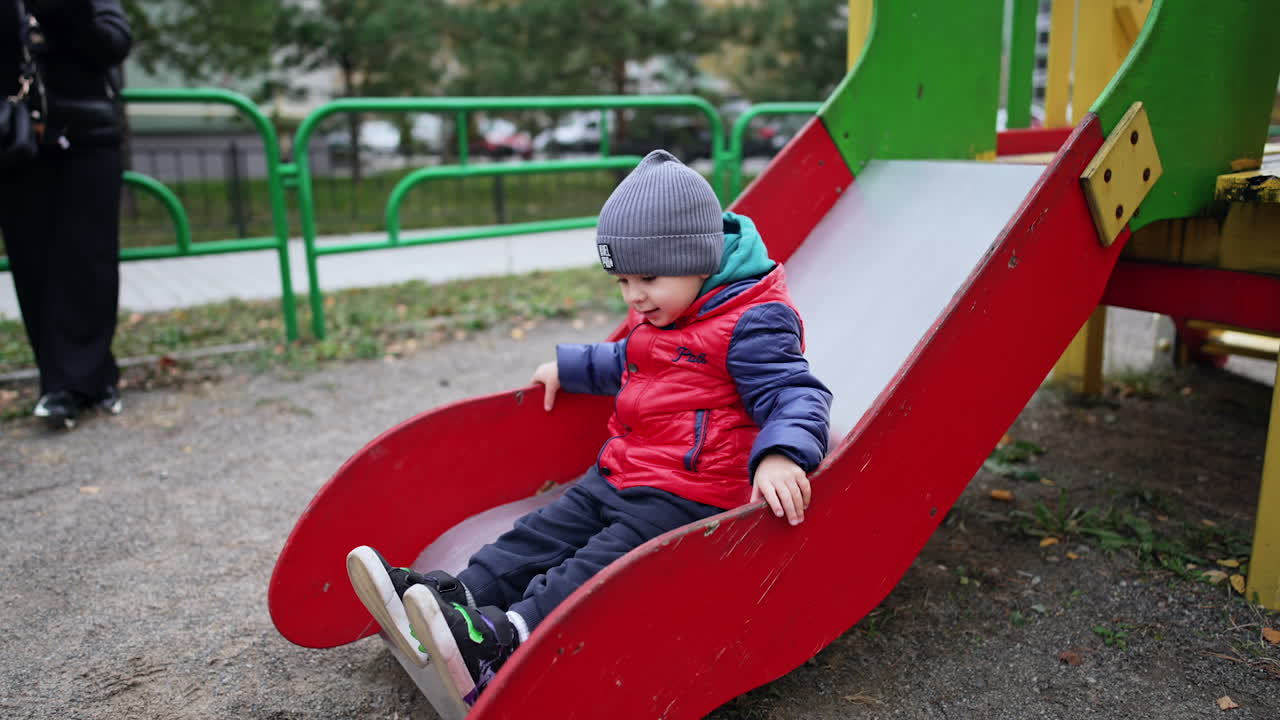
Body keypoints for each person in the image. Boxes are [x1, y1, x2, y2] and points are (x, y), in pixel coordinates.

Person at [347, 149, 832, 704]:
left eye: (647, 278)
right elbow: (628, 360)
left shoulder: (752, 320)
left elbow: (795, 391)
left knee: (592, 566)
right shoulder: (668, 307)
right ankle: (454, 600)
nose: (633, 296)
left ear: (699, 258)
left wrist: (781, 454)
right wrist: (571, 367)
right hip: (623, 470)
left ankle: (509, 640)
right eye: (622, 280)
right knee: (539, 534)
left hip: (688, 495)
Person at [0, 0, 131, 429]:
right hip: (18, 140)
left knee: (90, 260)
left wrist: (68, 15)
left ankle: (90, 380)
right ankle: (59, 383)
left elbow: (114, 43)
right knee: (33, 260)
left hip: (87, 134)